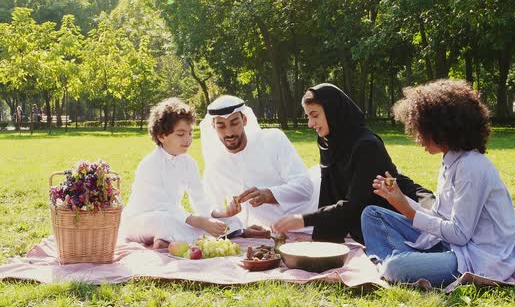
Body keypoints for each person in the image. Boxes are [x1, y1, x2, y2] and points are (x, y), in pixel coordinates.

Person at [361, 79, 515, 287]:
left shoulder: (471, 167)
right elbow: (439, 217)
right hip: (449, 244)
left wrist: (408, 211)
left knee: (395, 268)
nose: (417, 139)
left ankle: (400, 263)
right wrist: (401, 199)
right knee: (371, 214)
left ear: (441, 128)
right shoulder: (451, 159)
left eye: (421, 130)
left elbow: (460, 235)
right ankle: (412, 261)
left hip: (477, 257)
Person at [272, 83, 434, 244]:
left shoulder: (367, 145)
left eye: (315, 115)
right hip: (366, 215)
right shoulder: (328, 143)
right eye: (308, 116)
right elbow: (330, 191)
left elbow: (356, 202)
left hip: (402, 211)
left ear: (333, 111)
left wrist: (303, 220)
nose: (310, 123)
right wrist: (324, 239)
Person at [120, 98, 237, 249]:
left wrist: (221, 213)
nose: (188, 139)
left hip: (176, 217)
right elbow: (161, 206)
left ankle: (166, 240)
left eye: (190, 133)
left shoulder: (189, 163)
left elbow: (199, 199)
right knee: (164, 222)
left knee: (231, 222)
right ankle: (166, 237)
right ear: (162, 136)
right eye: (181, 134)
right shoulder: (149, 164)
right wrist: (199, 222)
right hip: (142, 221)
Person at [200, 95, 318, 237]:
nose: (229, 132)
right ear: (213, 126)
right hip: (272, 231)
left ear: (244, 120)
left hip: (311, 216)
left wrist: (268, 194)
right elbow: (208, 209)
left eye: (234, 123)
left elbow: (305, 188)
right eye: (221, 126)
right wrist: (228, 214)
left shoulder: (272, 139)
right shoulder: (216, 163)